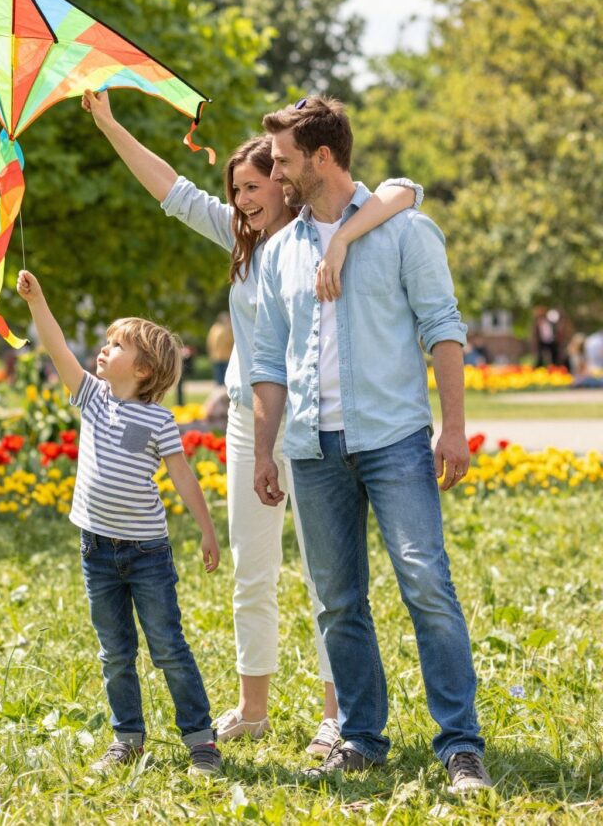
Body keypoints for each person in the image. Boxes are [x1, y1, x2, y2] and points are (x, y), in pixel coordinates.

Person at [84, 87, 421, 755]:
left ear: (286, 181)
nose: (241, 200)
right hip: (247, 420)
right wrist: (109, 125)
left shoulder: (316, 238)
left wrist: (346, 238)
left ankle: (337, 715)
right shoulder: (240, 241)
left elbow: (401, 190)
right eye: (234, 189)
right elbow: (169, 188)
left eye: (253, 185)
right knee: (252, 567)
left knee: (330, 578)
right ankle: (253, 705)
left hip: (314, 422)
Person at [250, 95, 491, 792]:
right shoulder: (278, 254)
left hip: (393, 441)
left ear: (322, 158)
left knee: (426, 583)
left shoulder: (406, 232)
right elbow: (268, 360)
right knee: (336, 601)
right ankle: (361, 735)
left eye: (285, 159)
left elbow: (443, 327)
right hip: (310, 450)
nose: (276, 170)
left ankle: (460, 744)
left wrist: (451, 426)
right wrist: (266, 450)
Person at [16, 267, 224, 775]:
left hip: (147, 554)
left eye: (117, 344)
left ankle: (201, 742)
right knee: (115, 653)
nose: (104, 349)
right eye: (106, 342)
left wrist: (207, 530)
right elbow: (57, 348)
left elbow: (183, 478)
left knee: (168, 648)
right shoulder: (92, 398)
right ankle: (127, 739)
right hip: (96, 551)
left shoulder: (159, 420)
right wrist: (37, 301)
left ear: (145, 370)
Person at [205, 312, 234, 386]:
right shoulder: (218, 328)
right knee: (220, 379)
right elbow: (210, 342)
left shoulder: (217, 328)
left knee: (225, 379)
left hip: (225, 357)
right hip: (219, 357)